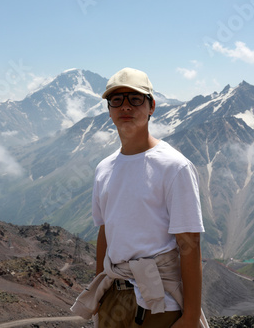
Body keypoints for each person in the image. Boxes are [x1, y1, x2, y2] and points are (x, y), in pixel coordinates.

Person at [71, 67, 208, 327]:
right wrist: (99, 291)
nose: (125, 107)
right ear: (109, 109)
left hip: (159, 300)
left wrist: (190, 316)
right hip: (113, 295)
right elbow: (105, 232)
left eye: (135, 99)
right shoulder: (104, 169)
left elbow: (190, 245)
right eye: (117, 99)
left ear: (151, 106)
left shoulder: (174, 167)